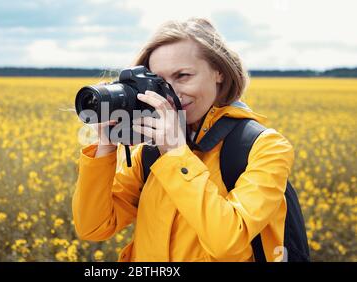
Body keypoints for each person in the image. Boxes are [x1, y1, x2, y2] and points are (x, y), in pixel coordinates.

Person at [72, 18, 294, 262]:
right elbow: (93, 227)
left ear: (219, 72)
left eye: (183, 76)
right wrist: (106, 145)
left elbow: (227, 243)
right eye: (159, 82)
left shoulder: (265, 148)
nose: (171, 92)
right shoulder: (148, 153)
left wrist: (176, 154)